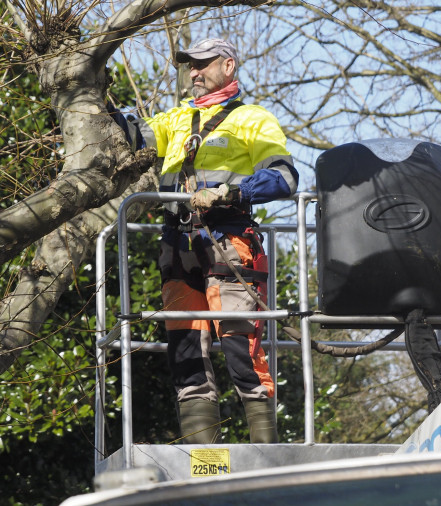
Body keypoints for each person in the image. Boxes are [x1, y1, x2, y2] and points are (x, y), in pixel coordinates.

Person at [117, 38, 299, 444]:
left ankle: (264, 452)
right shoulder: (174, 120)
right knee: (184, 348)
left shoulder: (253, 119)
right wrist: (99, 101)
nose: (193, 73)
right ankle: (203, 460)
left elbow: (285, 177)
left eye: (202, 64)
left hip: (228, 240)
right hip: (177, 245)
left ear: (228, 66)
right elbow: (129, 135)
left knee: (239, 343)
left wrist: (233, 193)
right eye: (189, 66)